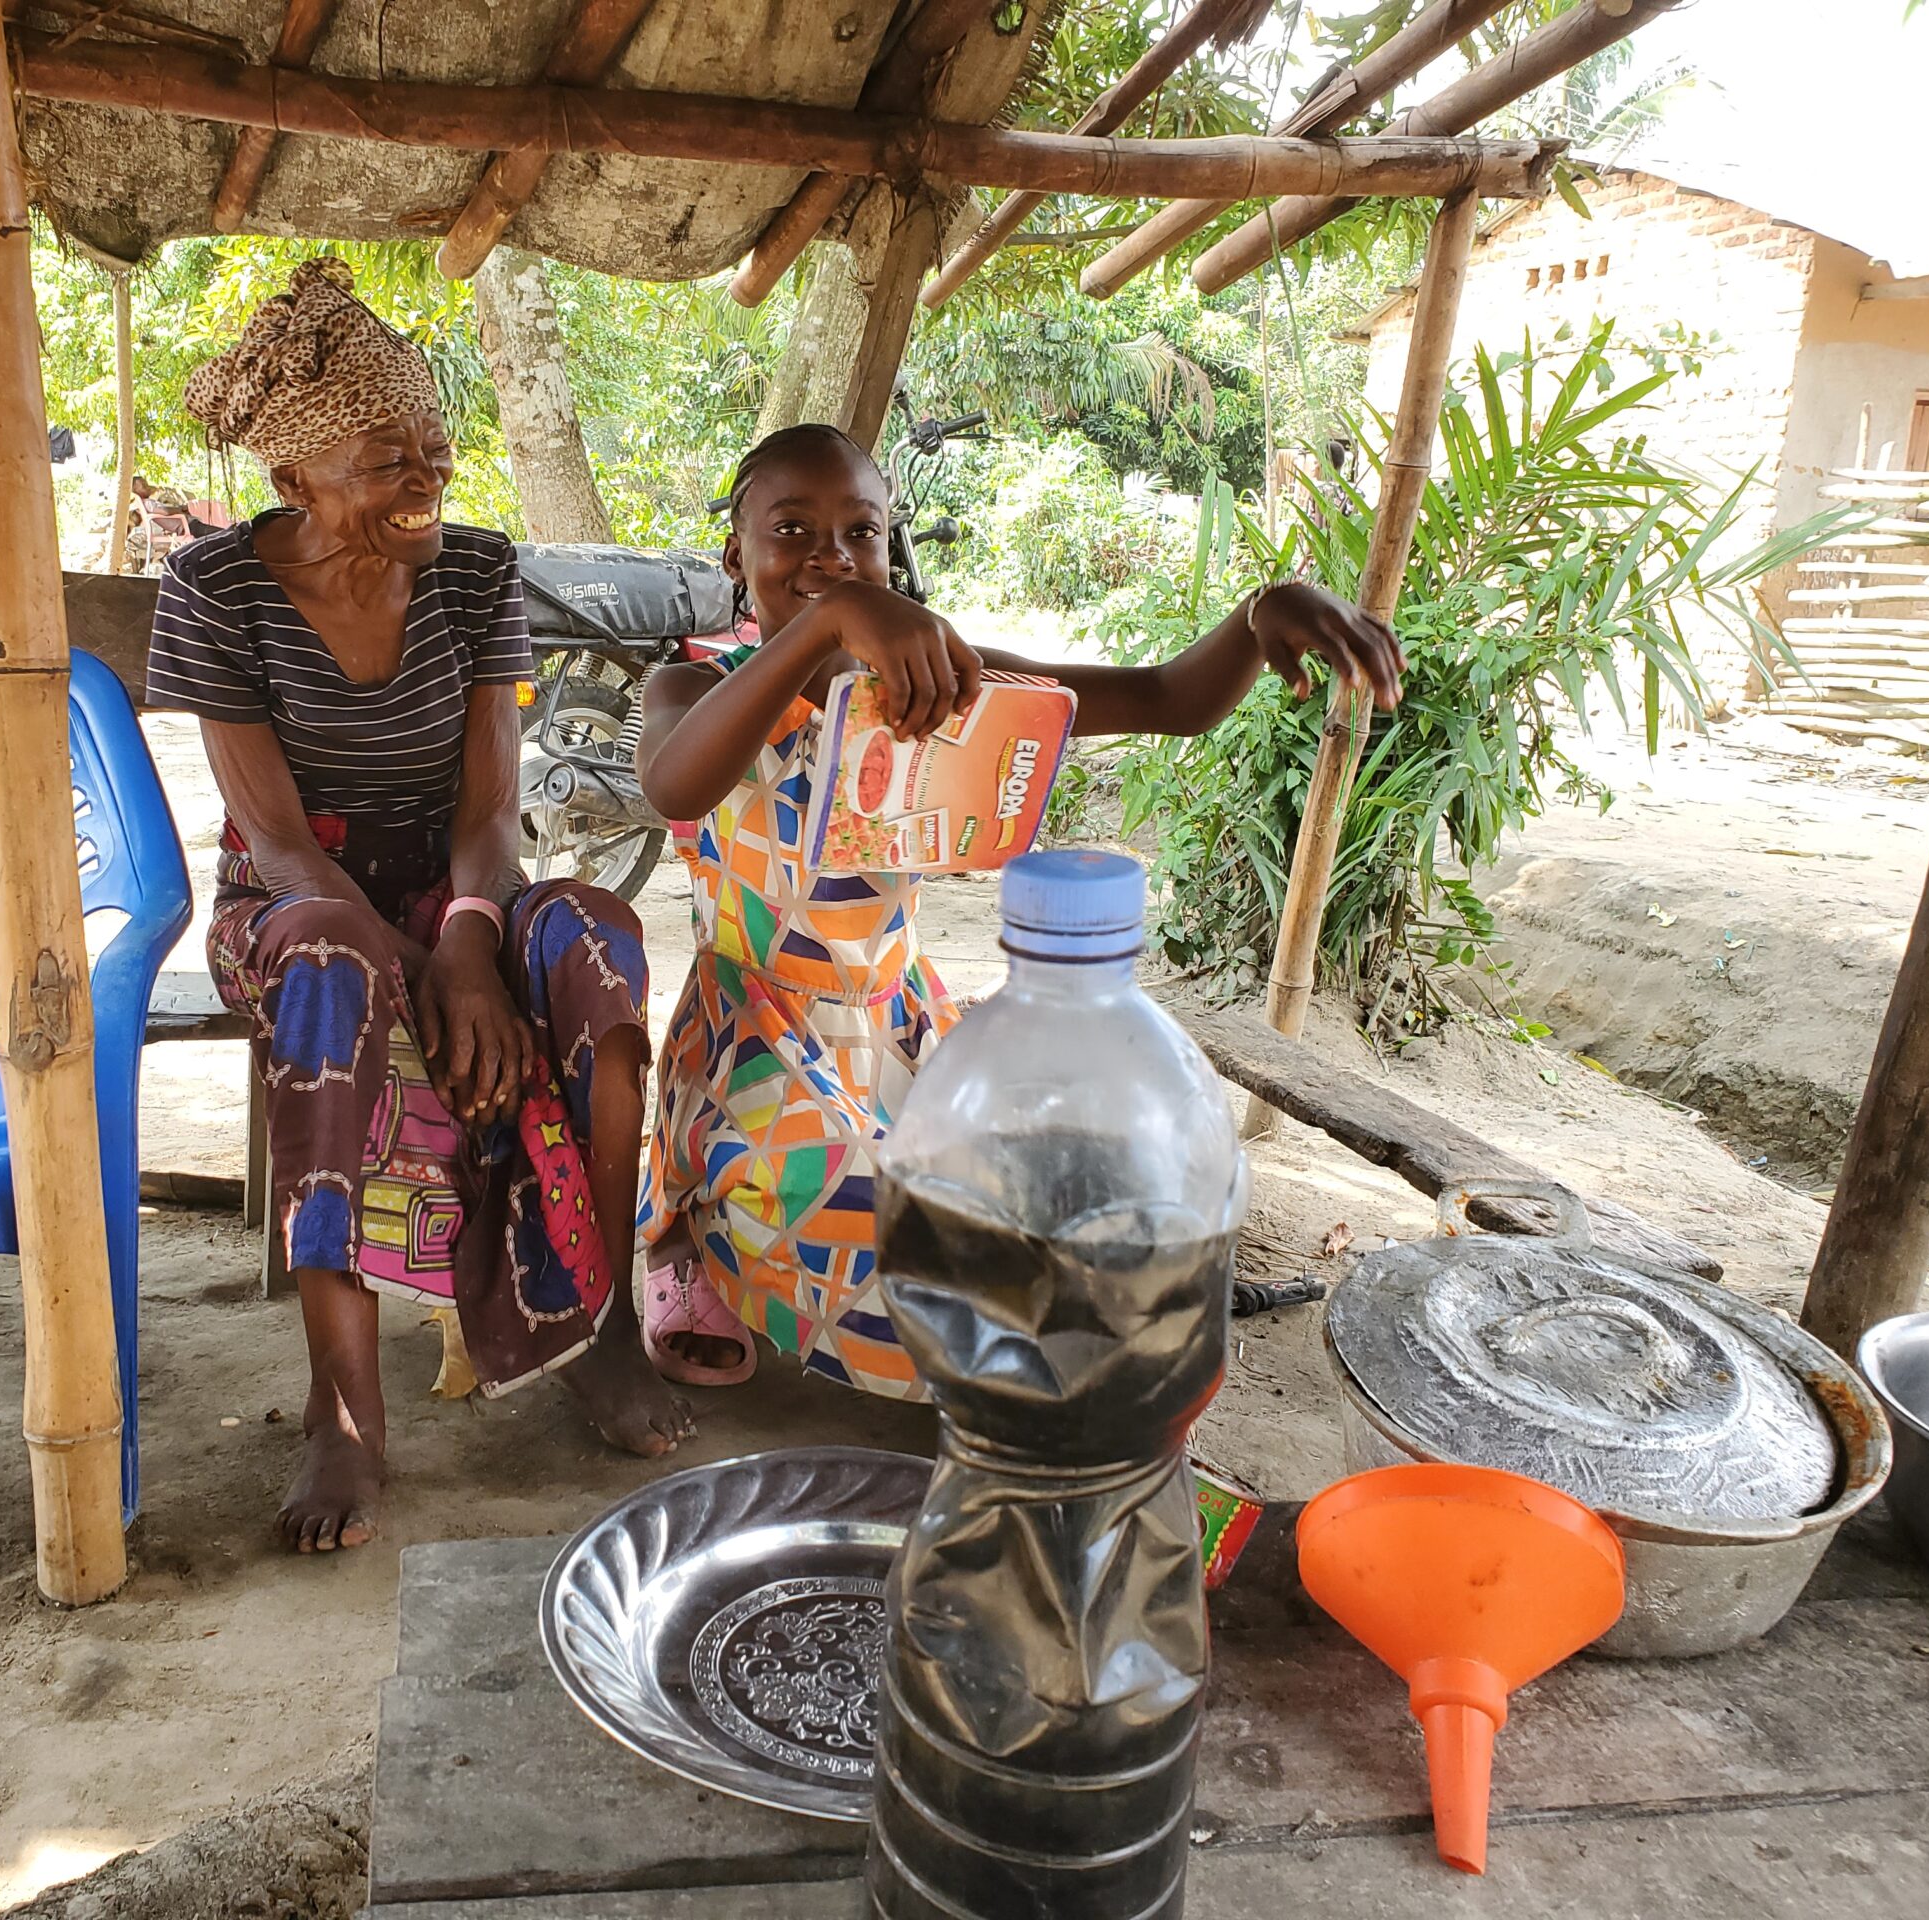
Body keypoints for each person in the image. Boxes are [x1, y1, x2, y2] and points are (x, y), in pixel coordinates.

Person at [633, 422, 1405, 1393]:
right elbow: (672, 786)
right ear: (735, 556)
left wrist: (1258, 616)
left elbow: (1168, 698)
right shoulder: (690, 686)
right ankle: (695, 1239)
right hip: (759, 1042)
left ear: (887, 546)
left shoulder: (934, 680)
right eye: (791, 529)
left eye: (860, 532)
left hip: (899, 1025)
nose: (830, 555)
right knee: (886, 1241)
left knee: (1069, 1195)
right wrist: (828, 626)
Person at [145, 259, 691, 1553]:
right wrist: (420, 974)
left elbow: (494, 817)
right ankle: (345, 1409)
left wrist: (466, 948)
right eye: (389, 460)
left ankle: (602, 1323)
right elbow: (275, 840)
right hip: (293, 909)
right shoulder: (216, 590)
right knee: (335, 960)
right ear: (297, 484)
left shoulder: (474, 573)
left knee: (601, 947)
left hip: (463, 892)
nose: (427, 477)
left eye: (434, 447)